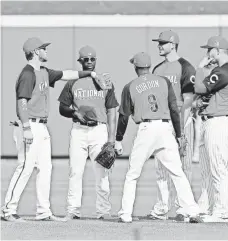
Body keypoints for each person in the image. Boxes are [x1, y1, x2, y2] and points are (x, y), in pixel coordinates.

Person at [1, 38, 109, 222]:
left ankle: (43, 211)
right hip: (30, 125)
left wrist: (90, 75)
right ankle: (8, 210)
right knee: (25, 167)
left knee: (46, 168)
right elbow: (22, 102)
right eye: (43, 48)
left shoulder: (43, 72)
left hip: (41, 127)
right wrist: (26, 126)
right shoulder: (28, 74)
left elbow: (66, 74)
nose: (46, 51)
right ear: (35, 52)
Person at [115, 52, 202, 223]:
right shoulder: (164, 81)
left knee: (132, 174)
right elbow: (174, 109)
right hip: (165, 128)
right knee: (177, 172)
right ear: (148, 66)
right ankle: (192, 211)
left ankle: (125, 214)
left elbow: (124, 116)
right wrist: (179, 135)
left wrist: (118, 139)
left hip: (146, 129)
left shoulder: (130, 86)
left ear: (135, 67)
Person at [58, 45, 119, 220]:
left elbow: (112, 110)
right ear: (80, 61)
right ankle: (73, 210)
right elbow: (62, 107)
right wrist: (73, 112)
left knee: (102, 172)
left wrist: (112, 138)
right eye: (86, 59)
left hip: (99, 130)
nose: (90, 62)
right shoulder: (73, 82)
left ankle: (104, 211)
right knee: (75, 171)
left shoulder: (105, 82)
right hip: (78, 130)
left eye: (93, 59)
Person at [148, 30, 196, 221]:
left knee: (183, 167)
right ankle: (161, 208)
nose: (159, 45)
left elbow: (188, 99)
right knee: (160, 167)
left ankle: (182, 208)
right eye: (158, 42)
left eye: (162, 42)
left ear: (173, 44)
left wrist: (181, 128)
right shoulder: (157, 69)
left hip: (181, 121)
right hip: (162, 122)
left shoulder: (186, 67)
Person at [194, 36, 228, 222]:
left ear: (217, 50)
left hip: (218, 123)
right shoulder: (221, 71)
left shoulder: (223, 71)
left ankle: (221, 212)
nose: (207, 53)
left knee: (218, 169)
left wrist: (200, 68)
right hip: (217, 120)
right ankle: (209, 207)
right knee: (212, 169)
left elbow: (199, 87)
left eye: (209, 50)